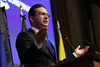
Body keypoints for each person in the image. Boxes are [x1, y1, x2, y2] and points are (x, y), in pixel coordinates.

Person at [16, 4, 89, 67]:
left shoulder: (47, 41)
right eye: (42, 14)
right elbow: (24, 59)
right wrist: (37, 44)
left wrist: (75, 55)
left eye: (47, 15)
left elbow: (54, 64)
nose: (46, 17)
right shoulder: (25, 35)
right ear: (32, 18)